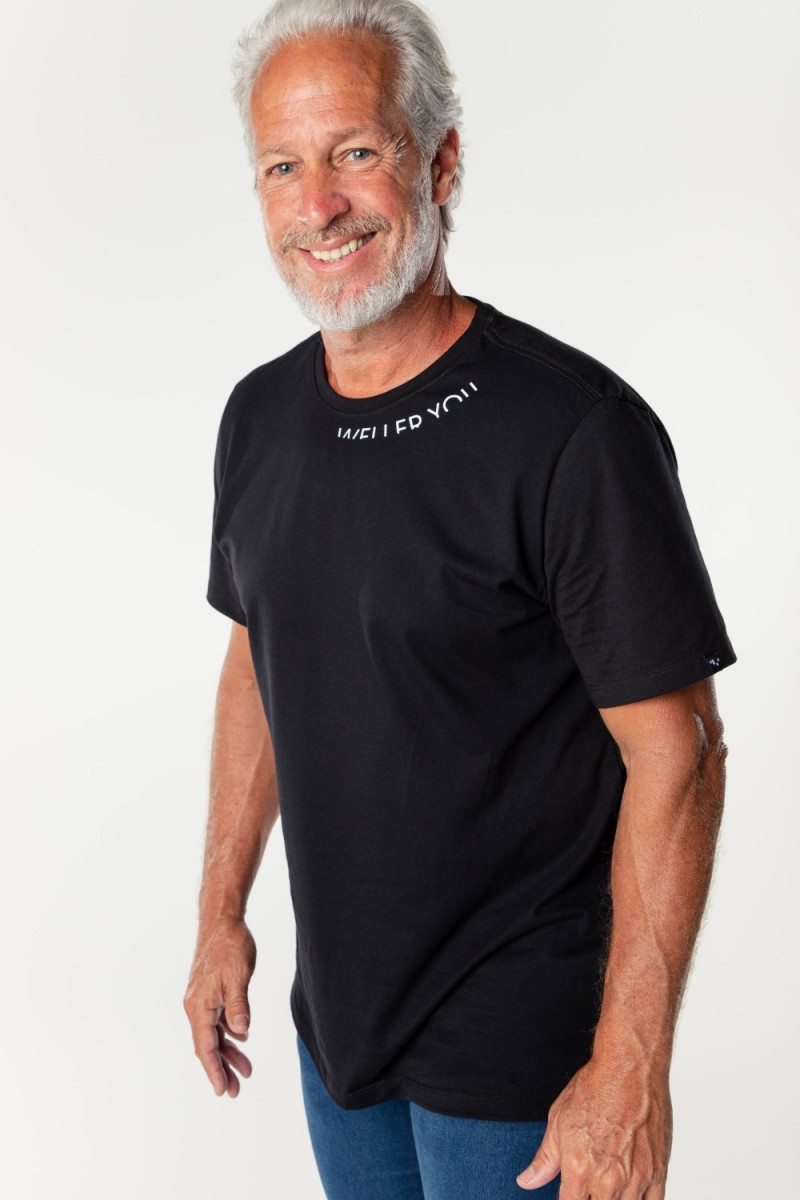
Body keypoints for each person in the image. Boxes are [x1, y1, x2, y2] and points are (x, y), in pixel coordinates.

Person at [182, 2, 736, 1196]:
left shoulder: (572, 432)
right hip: (337, 1023)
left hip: (522, 1045)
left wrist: (630, 1064)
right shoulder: (258, 418)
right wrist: (219, 910)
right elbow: (260, 659)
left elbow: (677, 751)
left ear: (438, 163)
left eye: (355, 151)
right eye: (282, 166)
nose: (319, 204)